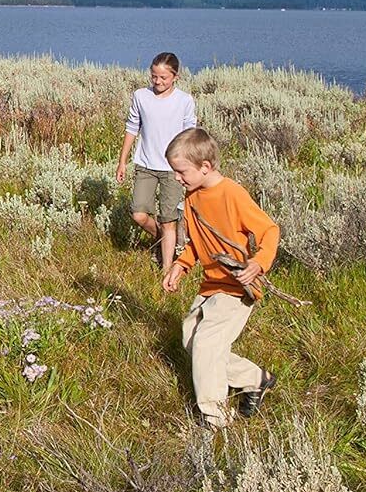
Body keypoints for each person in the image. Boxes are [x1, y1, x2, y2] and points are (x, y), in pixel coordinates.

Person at [161, 128, 280, 428]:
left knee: (207, 346)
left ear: (205, 166)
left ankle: (215, 419)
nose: (177, 178)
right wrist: (180, 265)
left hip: (237, 287)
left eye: (181, 171)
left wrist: (259, 263)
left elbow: (269, 230)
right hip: (210, 286)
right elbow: (194, 243)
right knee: (192, 341)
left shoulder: (232, 193)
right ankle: (256, 379)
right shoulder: (192, 197)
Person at [117, 52, 196, 266]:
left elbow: (190, 135)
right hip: (145, 165)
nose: (158, 81)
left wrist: (188, 168)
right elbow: (132, 128)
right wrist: (122, 161)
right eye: (154, 76)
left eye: (163, 77)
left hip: (173, 169)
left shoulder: (185, 101)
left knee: (169, 219)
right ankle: (162, 238)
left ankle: (166, 269)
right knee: (138, 214)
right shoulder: (141, 96)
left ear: (175, 77)